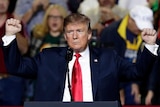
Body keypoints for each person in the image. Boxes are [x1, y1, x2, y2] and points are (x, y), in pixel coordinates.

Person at [1, 13, 158, 105]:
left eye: (79, 31)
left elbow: (137, 72)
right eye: (70, 32)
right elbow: (17, 67)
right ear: (65, 36)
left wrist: (150, 46)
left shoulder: (108, 58)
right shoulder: (48, 57)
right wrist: (9, 36)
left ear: (89, 35)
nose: (75, 36)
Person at [100, 5, 154, 105]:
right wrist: (118, 88)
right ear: (130, 20)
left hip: (136, 76)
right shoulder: (110, 33)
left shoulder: (148, 34)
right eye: (138, 25)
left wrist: (142, 85)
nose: (140, 29)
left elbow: (153, 64)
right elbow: (107, 65)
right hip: (112, 77)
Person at [0, 0, 29, 105]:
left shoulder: (16, 22)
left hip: (12, 81)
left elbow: (24, 49)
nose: (2, 3)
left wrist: (13, 32)